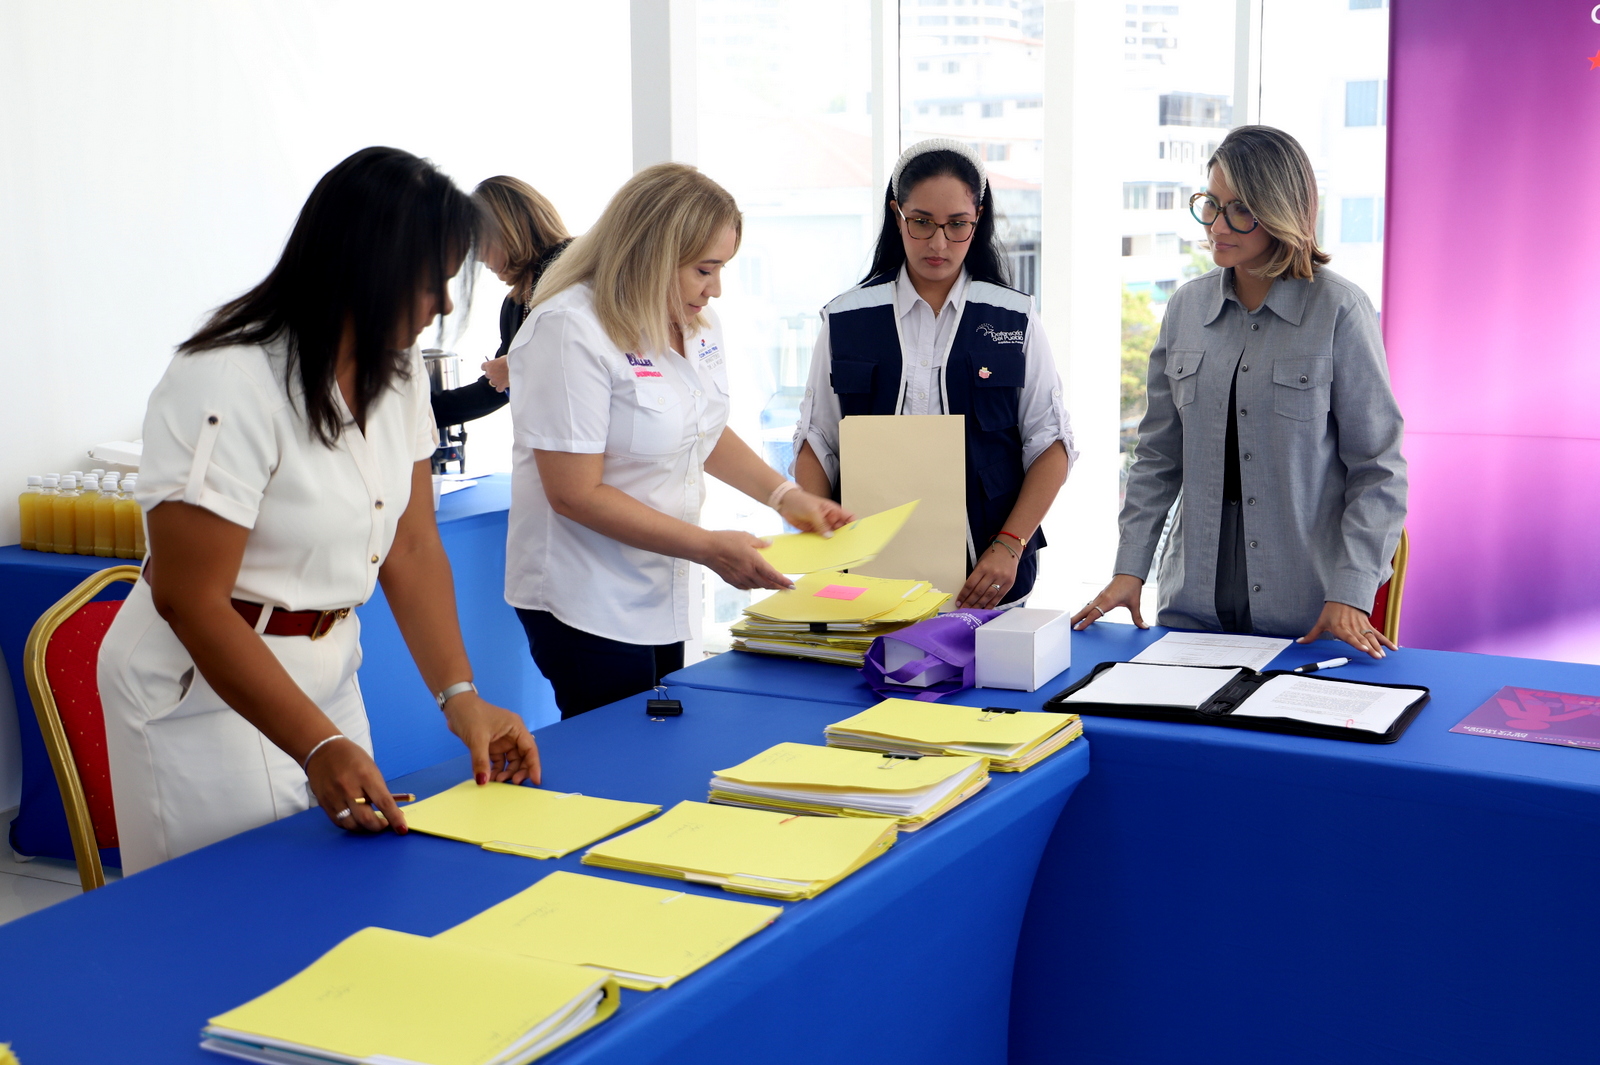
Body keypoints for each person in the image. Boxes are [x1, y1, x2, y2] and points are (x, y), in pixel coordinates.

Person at [98, 147, 539, 874]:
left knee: (344, 893)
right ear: (370, 265)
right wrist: (316, 744)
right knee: (235, 918)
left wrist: (462, 697)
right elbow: (190, 597)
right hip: (206, 686)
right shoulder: (226, 378)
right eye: (434, 281)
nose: (447, 305)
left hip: (328, 669)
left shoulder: (395, 376)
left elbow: (412, 547)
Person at [506, 163, 852, 718]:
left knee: (660, 742)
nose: (715, 289)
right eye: (704, 269)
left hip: (660, 585)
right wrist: (711, 547)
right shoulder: (569, 328)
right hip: (585, 594)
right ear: (651, 254)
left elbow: (701, 431)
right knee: (615, 754)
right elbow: (574, 492)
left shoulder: (695, 322)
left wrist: (787, 498)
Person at [1071, 125, 1406, 658]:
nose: (1217, 226)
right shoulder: (1186, 309)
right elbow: (1157, 457)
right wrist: (1130, 568)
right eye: (1211, 204)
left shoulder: (1340, 311)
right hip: (1191, 612)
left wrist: (1351, 592)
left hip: (1308, 618)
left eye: (1240, 209)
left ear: (1280, 209)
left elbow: (1379, 470)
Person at [792, 138, 1076, 609]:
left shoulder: (1013, 317)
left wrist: (1009, 545)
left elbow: (1051, 444)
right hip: (866, 577)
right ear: (896, 214)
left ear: (977, 220)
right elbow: (816, 441)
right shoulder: (846, 318)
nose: (938, 243)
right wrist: (824, 547)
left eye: (957, 225)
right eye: (921, 222)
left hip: (986, 579)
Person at [429, 175, 571, 427]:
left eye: (479, 242)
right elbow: (493, 388)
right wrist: (418, 414)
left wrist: (521, 367)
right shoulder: (515, 303)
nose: (479, 257)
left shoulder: (577, 273)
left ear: (508, 230)